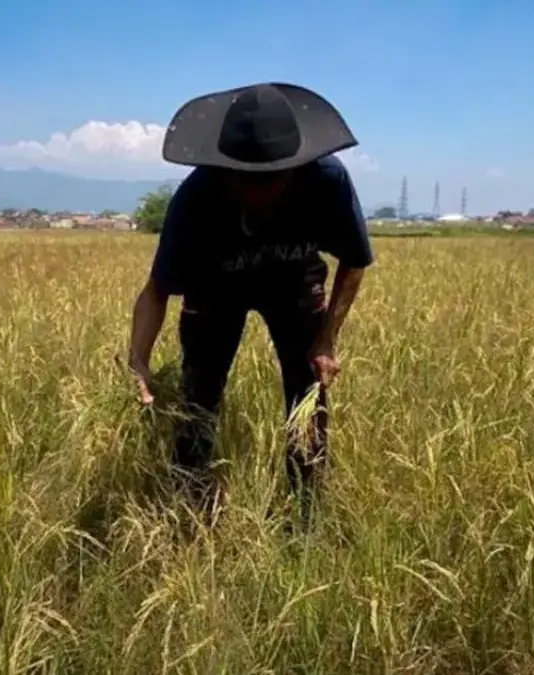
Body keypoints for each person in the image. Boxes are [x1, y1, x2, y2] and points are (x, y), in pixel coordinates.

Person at [126, 82, 374, 521]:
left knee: (308, 396)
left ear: (295, 163)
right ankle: (189, 508)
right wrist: (139, 361)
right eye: (246, 179)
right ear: (226, 167)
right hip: (215, 287)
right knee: (198, 397)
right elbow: (157, 288)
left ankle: (306, 513)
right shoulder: (197, 195)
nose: (260, 192)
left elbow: (354, 262)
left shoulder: (327, 180)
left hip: (294, 284)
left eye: (272, 179)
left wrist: (327, 339)